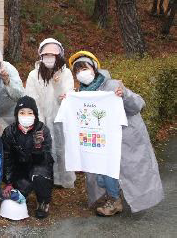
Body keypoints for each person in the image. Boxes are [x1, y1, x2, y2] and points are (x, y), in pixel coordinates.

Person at [66, 51, 163, 216]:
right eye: (77, 70)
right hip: (101, 140)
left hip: (124, 136)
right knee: (100, 171)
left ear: (94, 67)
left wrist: (124, 94)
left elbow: (138, 104)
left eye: (84, 67)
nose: (81, 73)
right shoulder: (80, 93)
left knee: (123, 170)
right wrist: (68, 101)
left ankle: (115, 199)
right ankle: (113, 193)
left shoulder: (112, 85)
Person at [23, 38, 75, 188]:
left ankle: (62, 179)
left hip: (60, 119)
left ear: (59, 56)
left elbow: (66, 99)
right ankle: (45, 177)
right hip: (42, 118)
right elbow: (32, 99)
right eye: (46, 55)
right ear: (41, 56)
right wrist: (39, 122)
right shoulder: (34, 75)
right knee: (43, 148)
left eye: (53, 55)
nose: (49, 58)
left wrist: (57, 84)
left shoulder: (66, 74)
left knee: (62, 149)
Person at [1, 96, 54, 219]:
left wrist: (38, 147)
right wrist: (9, 182)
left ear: (35, 114)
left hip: (38, 167)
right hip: (20, 170)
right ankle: (24, 190)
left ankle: (43, 202)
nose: (26, 115)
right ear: (16, 114)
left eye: (30, 113)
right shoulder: (9, 131)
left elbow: (45, 159)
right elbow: (7, 158)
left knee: (40, 175)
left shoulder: (42, 130)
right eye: (22, 112)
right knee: (17, 194)